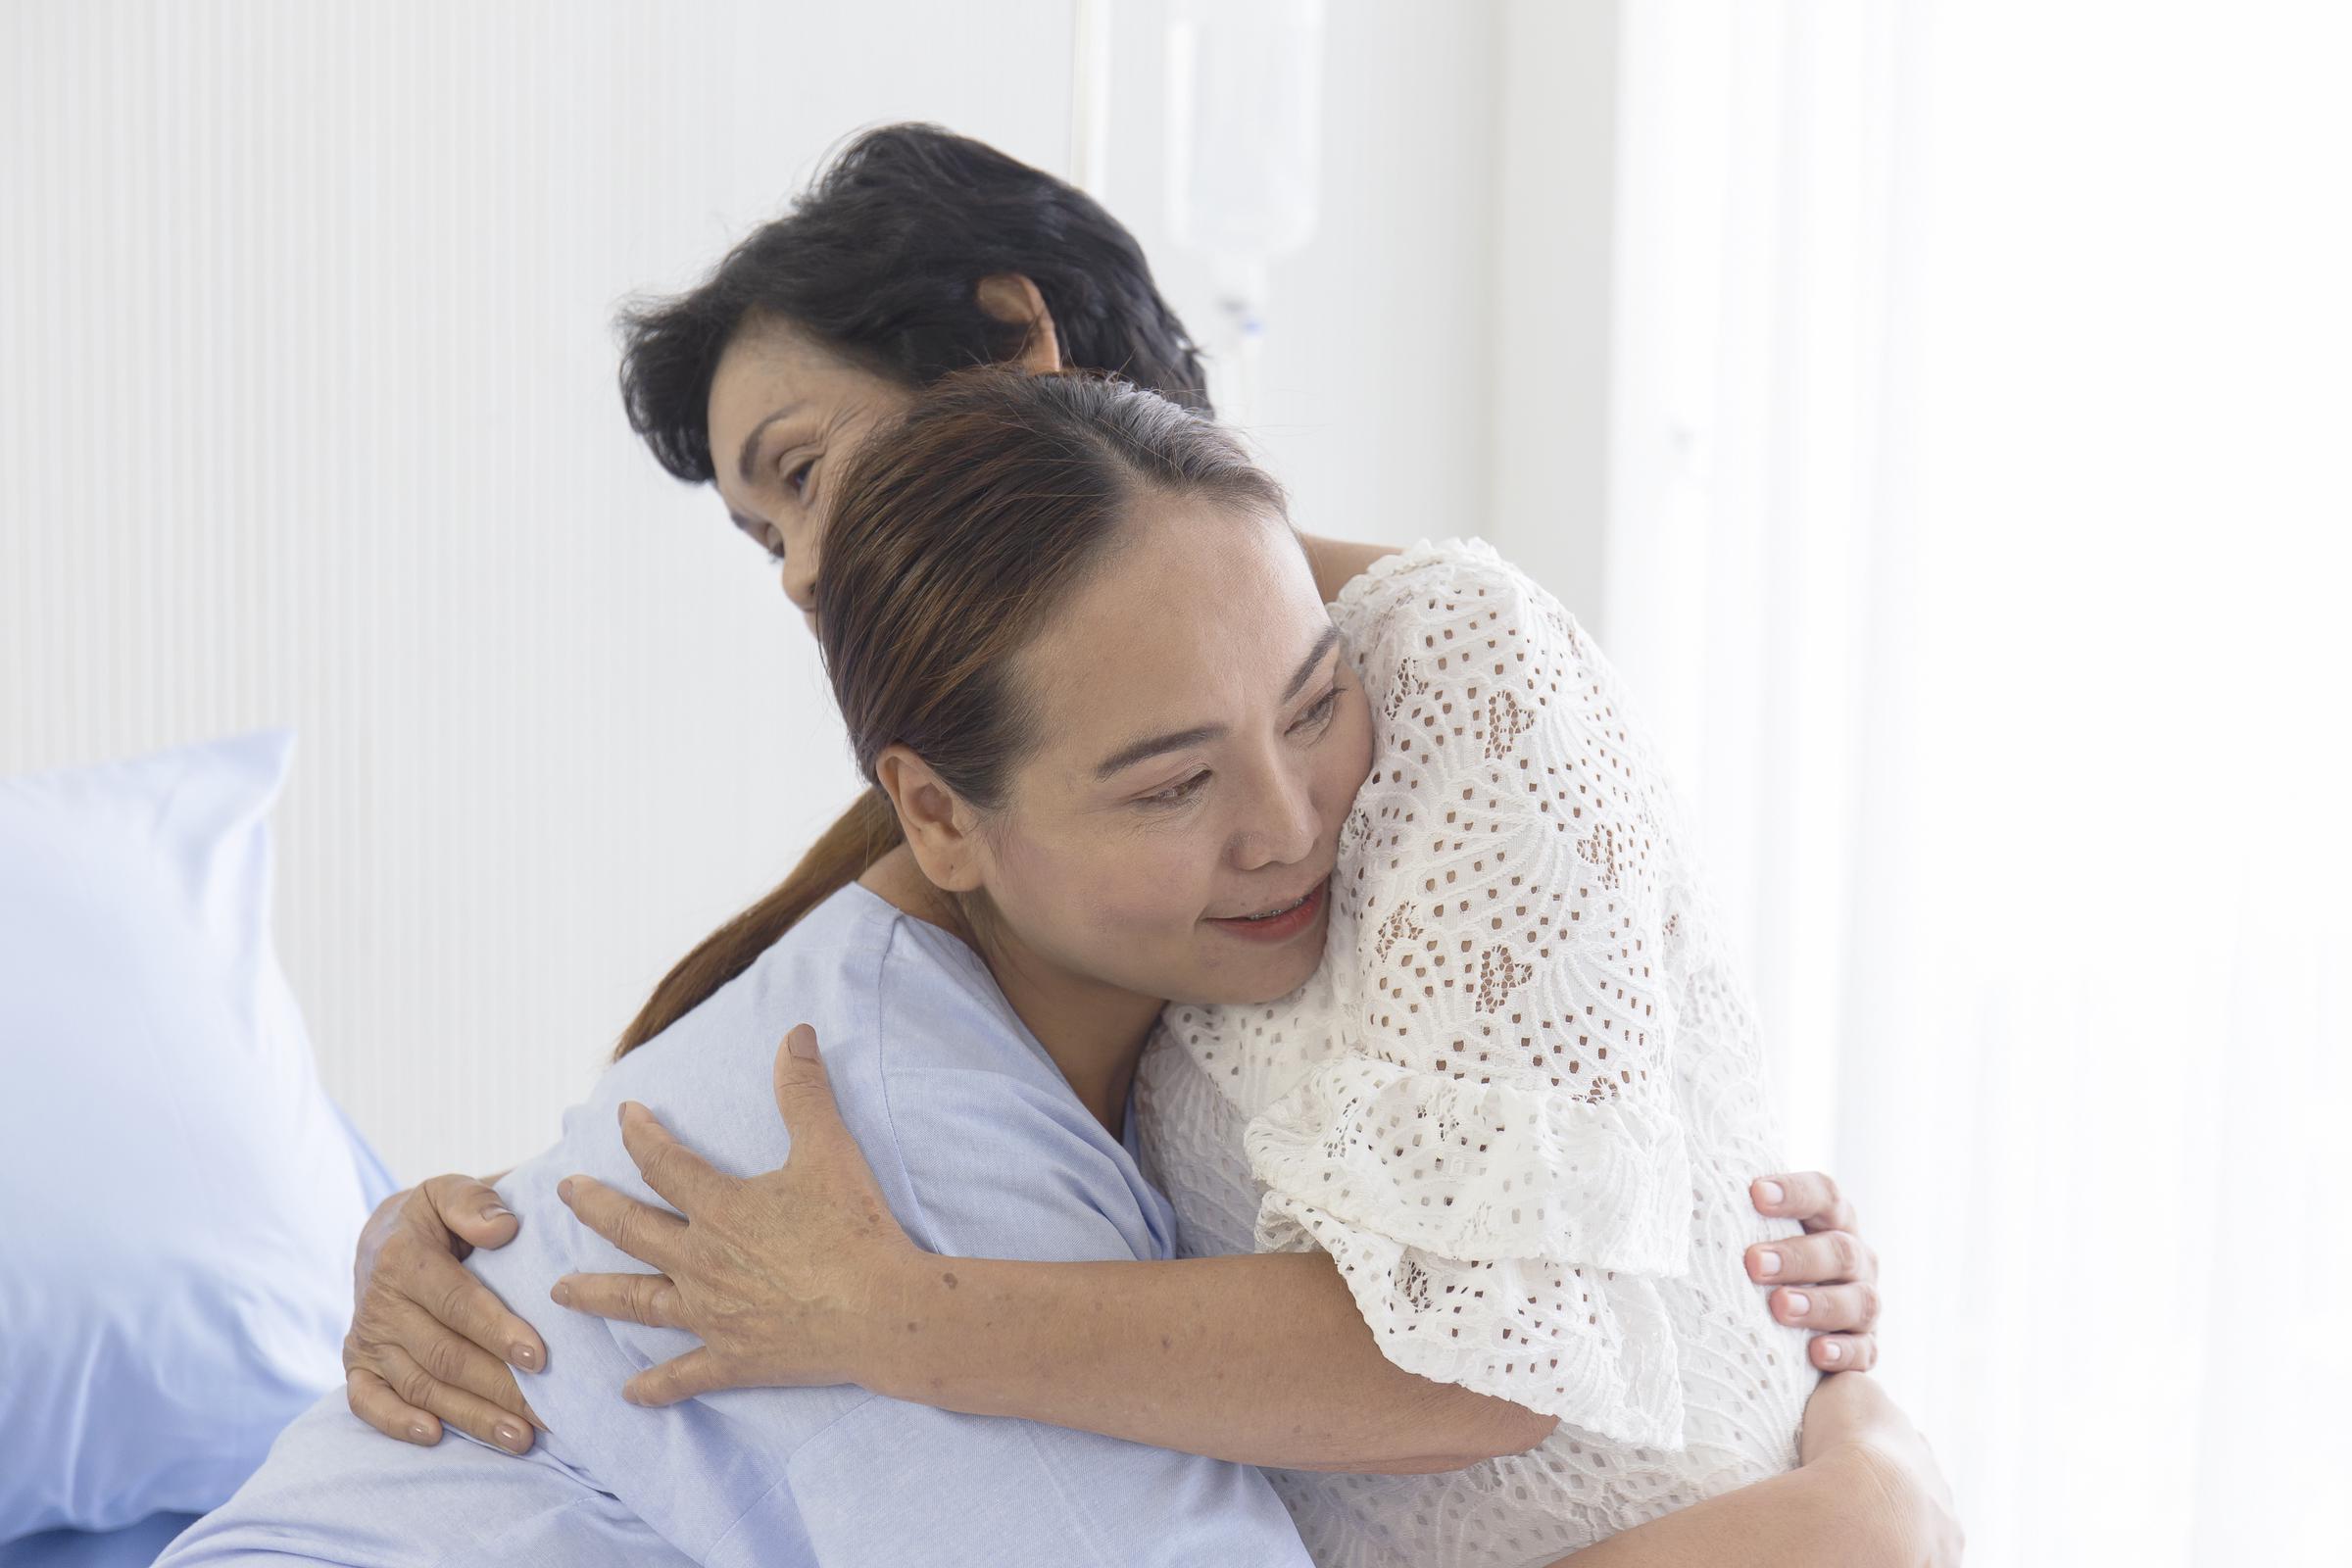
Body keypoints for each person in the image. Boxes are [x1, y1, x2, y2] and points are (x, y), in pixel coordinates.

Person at [169, 370, 1954, 1567]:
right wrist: (1863, 1513)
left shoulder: (1192, 921)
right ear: (937, 811)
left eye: (1314, 703)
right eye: (1176, 782)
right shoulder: (871, 1136)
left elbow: (1508, 1299)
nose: (1288, 823)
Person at [346, 122, 1886, 1470]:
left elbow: (1495, 1360)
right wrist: (457, 1239)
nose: (807, 572)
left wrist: (895, 1321)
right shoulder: (997, 843)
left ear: (1021, 343)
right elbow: (768, 1095)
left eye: (805, 472)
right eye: (768, 540)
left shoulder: (1458, 667)